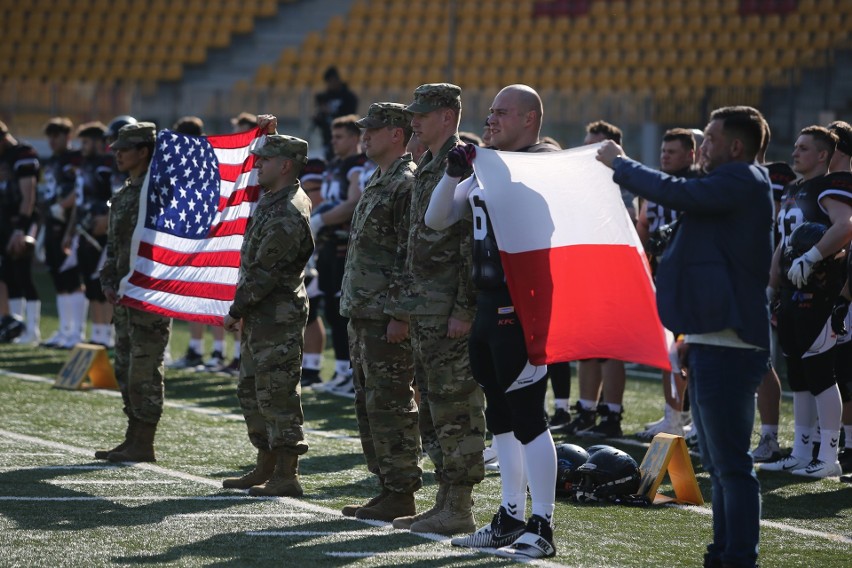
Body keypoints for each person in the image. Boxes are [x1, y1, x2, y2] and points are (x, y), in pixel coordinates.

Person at [597, 105, 773, 568]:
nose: (702, 148)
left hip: (730, 344)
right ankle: (723, 554)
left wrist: (621, 163)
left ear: (736, 146)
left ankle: (738, 558)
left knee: (731, 466)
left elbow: (673, 190)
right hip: (712, 339)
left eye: (711, 139)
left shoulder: (743, 180)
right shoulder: (728, 187)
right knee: (719, 465)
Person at [425, 84, 559, 559]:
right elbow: (437, 218)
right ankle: (510, 516)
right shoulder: (489, 166)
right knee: (500, 417)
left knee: (527, 416)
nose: (490, 120)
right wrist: (452, 174)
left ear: (530, 119)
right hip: (487, 302)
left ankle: (542, 522)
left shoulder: (543, 165)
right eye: (491, 112)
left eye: (503, 113)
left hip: (521, 306)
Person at [390, 83, 485, 537]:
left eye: (423, 114)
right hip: (425, 306)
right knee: (431, 405)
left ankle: (460, 505)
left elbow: (470, 244)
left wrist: (464, 308)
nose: (415, 121)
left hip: (448, 307)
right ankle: (445, 500)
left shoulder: (463, 162)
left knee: (456, 407)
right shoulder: (428, 163)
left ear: (448, 116)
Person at [222, 119, 314, 497]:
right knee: (253, 390)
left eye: (265, 159)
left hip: (276, 315)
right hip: (263, 314)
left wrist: (236, 308)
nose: (258, 164)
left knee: (277, 393)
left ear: (286, 165)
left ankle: (287, 473)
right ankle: (266, 463)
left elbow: (265, 272)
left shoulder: (288, 209)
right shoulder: (275, 198)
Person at [338, 102, 421, 521]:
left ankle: (402, 489)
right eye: (364, 129)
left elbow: (410, 255)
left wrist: (401, 315)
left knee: (390, 403)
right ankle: (387, 486)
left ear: (397, 134)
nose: (364, 135)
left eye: (374, 129)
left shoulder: (406, 183)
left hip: (385, 314)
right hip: (364, 311)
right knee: (370, 404)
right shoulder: (379, 179)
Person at [762, 125, 848, 478]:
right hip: (792, 289)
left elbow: (845, 226)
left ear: (824, 155)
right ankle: (801, 450)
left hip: (820, 289)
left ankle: (829, 456)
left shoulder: (832, 184)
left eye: (804, 148)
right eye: (795, 146)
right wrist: (772, 282)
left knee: (820, 373)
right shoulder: (795, 188)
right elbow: (783, 240)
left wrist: (812, 256)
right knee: (798, 372)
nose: (794, 152)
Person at [96, 122, 171, 463]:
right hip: (125, 291)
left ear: (144, 151)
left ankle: (145, 440)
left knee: (144, 366)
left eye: (125, 148)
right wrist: (109, 278)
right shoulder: (128, 190)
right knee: (125, 364)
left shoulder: (155, 191)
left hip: (149, 292)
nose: (118, 153)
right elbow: (117, 243)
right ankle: (132, 435)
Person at [563, 120, 632, 438]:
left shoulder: (626, 179)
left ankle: (612, 414)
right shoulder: (580, 183)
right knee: (586, 347)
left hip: (615, 272)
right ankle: (587, 410)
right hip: (585, 271)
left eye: (597, 145)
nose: (589, 151)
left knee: (611, 348)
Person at [634, 128, 698, 440]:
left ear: (691, 154)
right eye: (663, 150)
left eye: (672, 151)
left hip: (694, 280)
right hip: (663, 278)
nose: (665, 156)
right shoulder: (656, 186)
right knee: (668, 349)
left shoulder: (699, 185)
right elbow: (643, 225)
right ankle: (673, 416)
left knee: (694, 350)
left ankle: (696, 421)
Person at [167, 116, 231, 372]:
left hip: (210, 237)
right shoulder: (187, 161)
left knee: (212, 294)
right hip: (193, 235)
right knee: (192, 295)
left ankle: (219, 352)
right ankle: (197, 349)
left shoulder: (208, 159)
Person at [311, 114, 368, 397]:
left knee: (344, 314)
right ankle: (341, 370)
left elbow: (352, 203)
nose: (334, 142)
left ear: (355, 138)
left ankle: (352, 373)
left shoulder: (357, 165)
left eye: (340, 136)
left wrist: (321, 221)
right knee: (332, 313)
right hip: (329, 247)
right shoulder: (334, 164)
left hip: (345, 246)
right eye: (333, 137)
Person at [41, 117, 87, 349]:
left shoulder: (76, 159)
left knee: (71, 277)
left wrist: (63, 206)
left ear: (68, 136)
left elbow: (79, 190)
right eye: (49, 136)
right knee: (58, 279)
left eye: (56, 136)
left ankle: (76, 331)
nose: (52, 141)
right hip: (53, 223)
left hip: (70, 225)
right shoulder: (52, 160)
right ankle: (64, 329)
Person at [74, 122, 114, 347]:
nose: (83, 147)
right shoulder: (86, 165)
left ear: (100, 142)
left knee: (101, 283)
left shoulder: (106, 165)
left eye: (87, 142)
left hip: (102, 230)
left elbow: (114, 196)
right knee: (89, 284)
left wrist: (106, 220)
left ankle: (106, 335)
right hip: (84, 228)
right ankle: (97, 333)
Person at [0, 121, 39, 343]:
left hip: (23, 220)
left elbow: (29, 195)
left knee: (23, 273)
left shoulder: (24, 153)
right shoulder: (4, 157)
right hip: (5, 220)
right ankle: (16, 326)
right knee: (8, 275)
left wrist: (20, 228)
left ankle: (32, 330)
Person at [299, 157, 327, 388]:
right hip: (306, 241)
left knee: (312, 310)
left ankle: (313, 366)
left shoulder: (313, 167)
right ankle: (308, 365)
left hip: (313, 245)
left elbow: (315, 200)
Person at [313, 66, 359, 160]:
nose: (330, 84)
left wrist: (331, 113)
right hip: (327, 138)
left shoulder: (348, 97)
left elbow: (350, 117)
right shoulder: (325, 97)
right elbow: (320, 121)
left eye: (331, 81)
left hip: (345, 138)